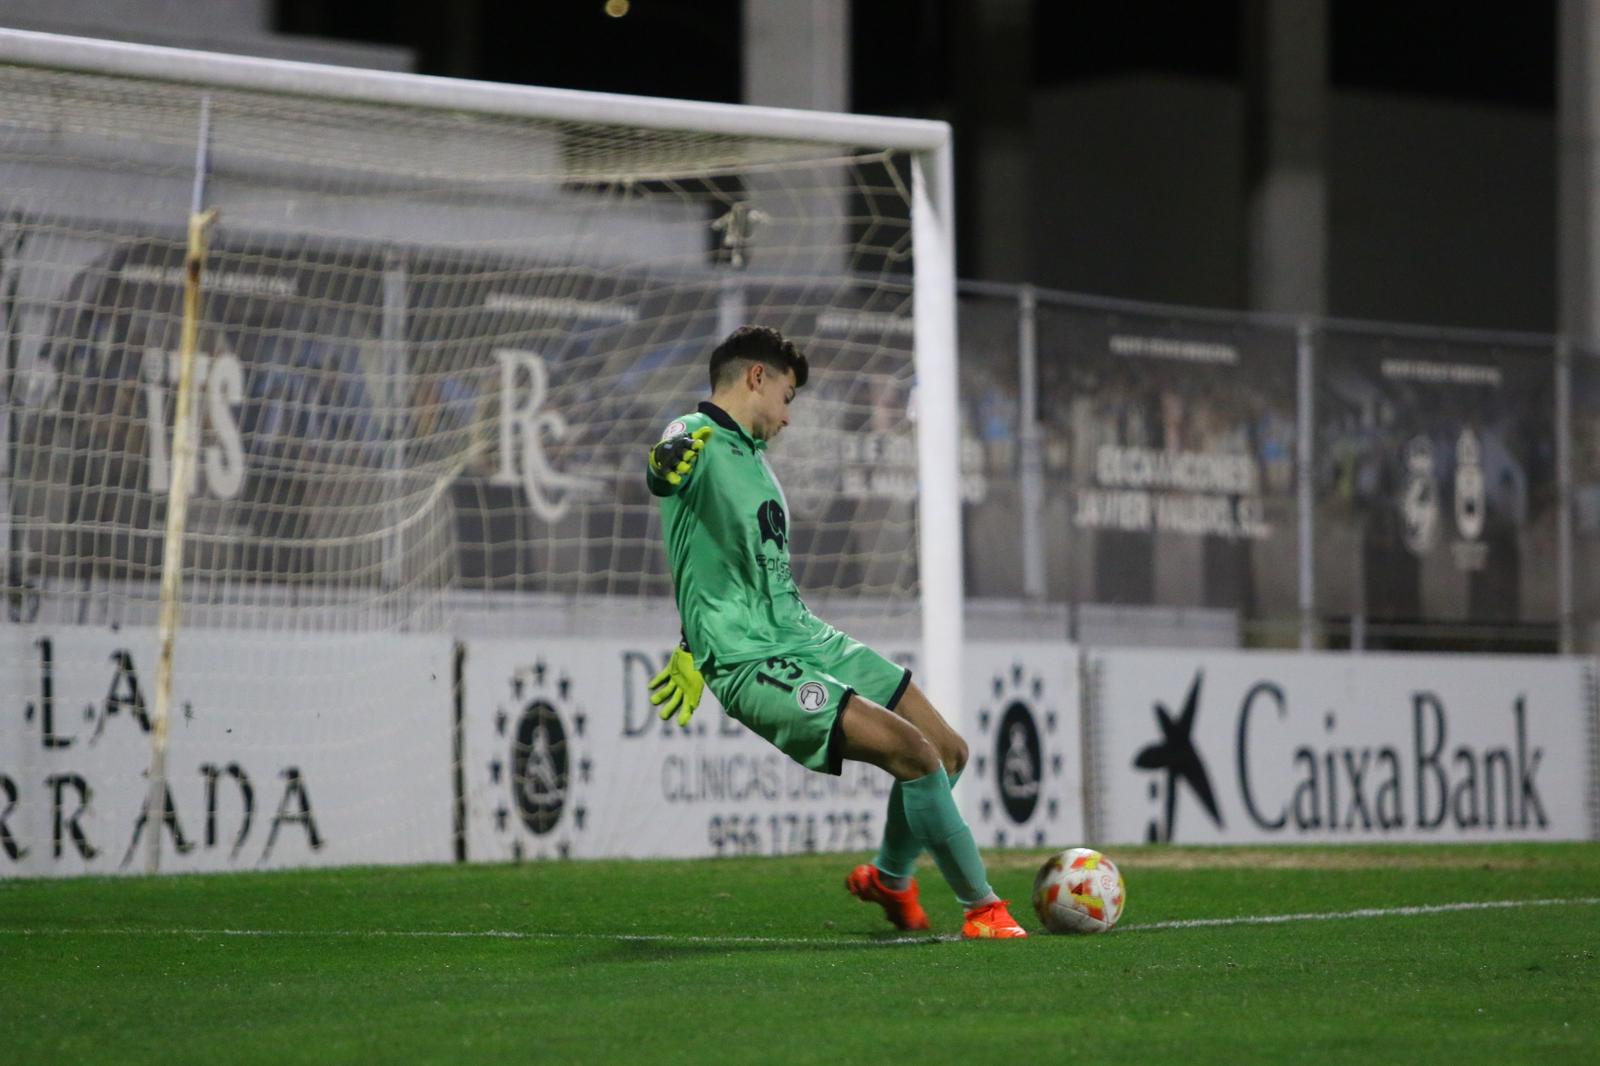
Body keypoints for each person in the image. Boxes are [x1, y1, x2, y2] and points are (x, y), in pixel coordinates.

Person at [645, 325, 1026, 939]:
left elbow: (719, 561)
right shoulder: (697, 434)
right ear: (756, 378)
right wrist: (663, 467)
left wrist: (690, 639)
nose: (789, 416)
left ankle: (891, 879)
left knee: (949, 752)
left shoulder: (755, 463)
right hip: (750, 661)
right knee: (916, 758)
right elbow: (664, 469)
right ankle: (983, 908)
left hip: (805, 636)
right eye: (789, 397)